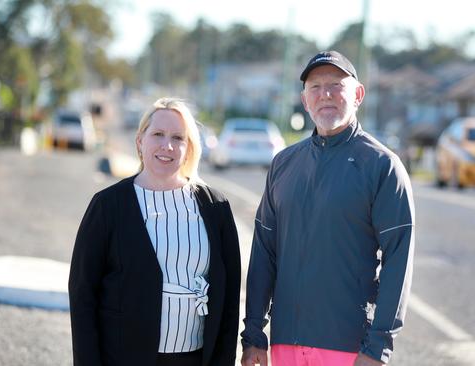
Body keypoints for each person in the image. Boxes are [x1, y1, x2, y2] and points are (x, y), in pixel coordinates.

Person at [240, 51, 415, 366]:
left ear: (358, 94)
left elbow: (398, 262)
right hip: (285, 345)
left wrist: (378, 348)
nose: (326, 95)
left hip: (347, 347)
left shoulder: (382, 166)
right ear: (304, 100)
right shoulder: (284, 163)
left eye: (336, 85)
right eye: (315, 87)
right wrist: (254, 335)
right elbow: (264, 253)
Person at [69, 97, 241, 366]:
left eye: (178, 137)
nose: (167, 145)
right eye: (158, 134)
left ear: (189, 148)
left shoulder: (215, 207)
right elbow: (82, 295)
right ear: (140, 141)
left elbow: (229, 299)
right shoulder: (108, 206)